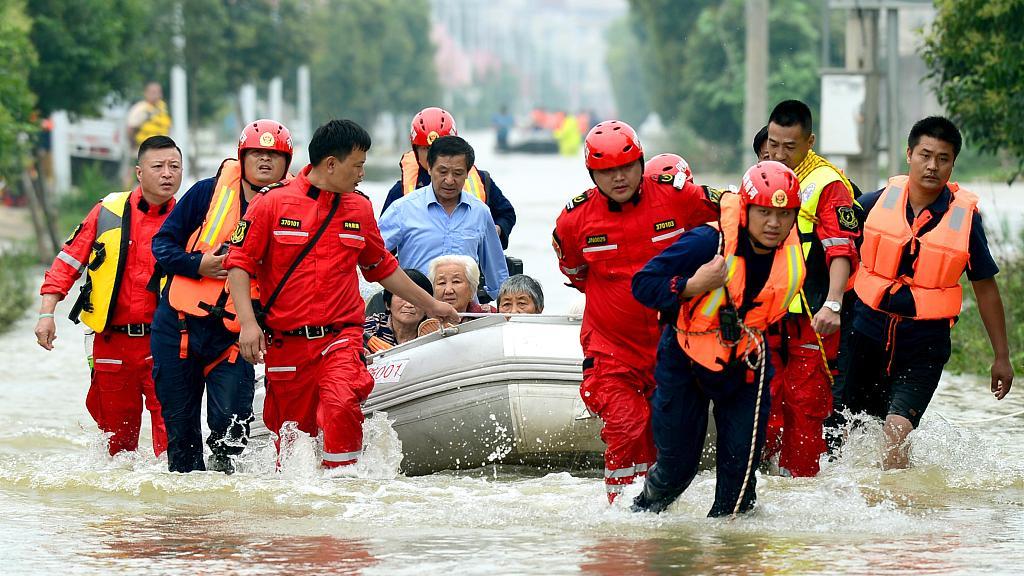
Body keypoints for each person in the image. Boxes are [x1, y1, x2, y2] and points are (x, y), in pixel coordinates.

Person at [225, 119, 459, 470]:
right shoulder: (271, 205)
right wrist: (247, 323)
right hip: (287, 345)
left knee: (340, 405)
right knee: (292, 442)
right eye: (358, 165)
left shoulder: (359, 208)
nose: (362, 173)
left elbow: (382, 268)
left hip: (341, 338)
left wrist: (433, 305)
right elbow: (238, 265)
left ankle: (344, 495)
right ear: (331, 164)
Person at [552, 120, 721, 503]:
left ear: (641, 162)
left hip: (673, 345)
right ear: (592, 173)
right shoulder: (574, 221)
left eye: (626, 167)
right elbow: (576, 273)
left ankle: (658, 512)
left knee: (669, 436)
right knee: (629, 427)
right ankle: (623, 520)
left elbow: (732, 217)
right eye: (607, 171)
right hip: (611, 350)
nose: (619, 178)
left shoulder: (677, 197)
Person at [631, 161, 805, 516]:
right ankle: (641, 515)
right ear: (745, 209)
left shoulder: (793, 253)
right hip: (685, 359)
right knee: (677, 470)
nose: (774, 224)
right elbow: (643, 284)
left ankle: (729, 558)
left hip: (745, 366)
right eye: (765, 213)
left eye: (784, 214)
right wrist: (692, 285)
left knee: (740, 482)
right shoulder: (707, 241)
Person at [843, 116, 1013, 469]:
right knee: (845, 432)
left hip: (924, 344)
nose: (933, 166)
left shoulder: (966, 221)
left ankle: (899, 507)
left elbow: (985, 288)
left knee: (895, 432)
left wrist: (1001, 356)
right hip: (866, 335)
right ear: (909, 155)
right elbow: (833, 248)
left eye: (943, 158)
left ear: (953, 163)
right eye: (925, 155)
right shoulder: (874, 203)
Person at [149, 119, 293, 474]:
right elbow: (161, 246)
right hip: (179, 328)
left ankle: (226, 515)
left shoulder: (292, 209)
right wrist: (198, 264)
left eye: (273, 155)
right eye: (257, 153)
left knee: (231, 436)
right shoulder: (204, 193)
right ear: (241, 158)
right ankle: (187, 519)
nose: (264, 160)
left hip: (235, 335)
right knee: (181, 437)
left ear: (286, 164)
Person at [33, 135, 182, 457]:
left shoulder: (190, 218)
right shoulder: (107, 212)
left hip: (166, 343)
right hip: (112, 342)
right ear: (139, 172)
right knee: (116, 446)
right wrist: (47, 314)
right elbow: (68, 262)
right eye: (158, 166)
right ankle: (116, 510)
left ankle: (173, 508)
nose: (167, 174)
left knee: (172, 445)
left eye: (174, 166)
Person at [761, 99, 860, 477]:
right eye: (773, 143)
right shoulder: (760, 176)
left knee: (805, 406)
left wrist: (833, 304)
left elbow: (841, 249)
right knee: (760, 402)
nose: (779, 154)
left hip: (812, 317)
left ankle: (799, 488)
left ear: (810, 142)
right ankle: (759, 484)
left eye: (790, 146)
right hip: (764, 314)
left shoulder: (828, 183)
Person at [379, 136, 509, 301]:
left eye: (457, 173)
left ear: (467, 173)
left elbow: (497, 274)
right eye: (442, 172)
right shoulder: (402, 210)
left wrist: (505, 308)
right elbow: (372, 257)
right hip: (417, 310)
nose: (449, 180)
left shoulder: (480, 212)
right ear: (429, 168)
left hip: (464, 314)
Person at [382, 106, 517, 248]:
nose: (434, 155)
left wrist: (496, 230)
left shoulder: (482, 182)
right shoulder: (401, 194)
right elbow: (381, 247)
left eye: (441, 148)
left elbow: (506, 214)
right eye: (426, 149)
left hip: (472, 266)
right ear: (415, 150)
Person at [364, 268, 435, 353]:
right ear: (387, 303)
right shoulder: (368, 327)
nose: (409, 305)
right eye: (403, 296)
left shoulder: (433, 333)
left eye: (416, 299)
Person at [126, 82, 172, 150]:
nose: (157, 95)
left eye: (159, 92)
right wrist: (134, 147)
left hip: (161, 149)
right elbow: (130, 129)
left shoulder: (163, 109)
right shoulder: (140, 109)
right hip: (145, 149)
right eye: (153, 92)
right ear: (146, 93)